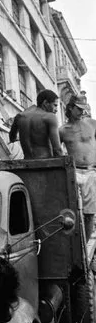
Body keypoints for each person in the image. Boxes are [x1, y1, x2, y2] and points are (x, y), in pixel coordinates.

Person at [60, 94, 96, 240]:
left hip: (90, 171)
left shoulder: (92, 124)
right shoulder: (62, 130)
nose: (82, 112)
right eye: (79, 109)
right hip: (73, 172)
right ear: (70, 108)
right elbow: (55, 151)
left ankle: (86, 249)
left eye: (83, 109)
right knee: (72, 211)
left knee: (89, 213)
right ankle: (75, 247)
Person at [10, 89, 63, 159]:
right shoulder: (50, 117)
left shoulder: (19, 116)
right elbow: (57, 149)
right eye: (55, 105)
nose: (56, 109)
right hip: (45, 163)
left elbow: (12, 138)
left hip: (27, 164)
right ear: (45, 103)